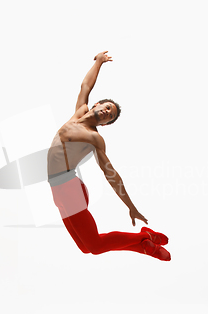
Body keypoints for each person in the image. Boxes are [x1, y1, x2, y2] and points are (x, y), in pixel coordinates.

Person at [47, 51, 170, 261]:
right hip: (57, 190)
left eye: (110, 115)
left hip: (69, 188)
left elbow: (111, 174)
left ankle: (144, 238)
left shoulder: (94, 138)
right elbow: (85, 86)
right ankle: (143, 245)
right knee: (87, 247)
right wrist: (99, 62)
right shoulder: (79, 112)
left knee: (94, 246)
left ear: (104, 124)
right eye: (106, 107)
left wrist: (131, 207)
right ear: (97, 105)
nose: (106, 112)